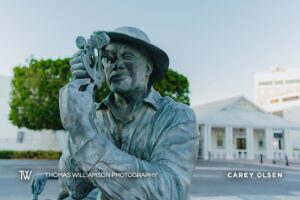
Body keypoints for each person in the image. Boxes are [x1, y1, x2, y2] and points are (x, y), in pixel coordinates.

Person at [59, 26, 199, 200]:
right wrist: (78, 128)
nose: (117, 65)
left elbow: (167, 191)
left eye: (127, 57)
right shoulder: (93, 116)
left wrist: (86, 136)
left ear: (148, 68)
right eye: (109, 59)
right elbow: (73, 188)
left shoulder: (177, 116)